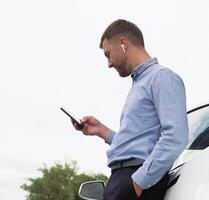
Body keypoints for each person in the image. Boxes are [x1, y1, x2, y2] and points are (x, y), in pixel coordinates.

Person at [72, 19, 188, 200]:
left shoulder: (161, 77)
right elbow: (138, 143)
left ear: (123, 44)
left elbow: (176, 137)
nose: (109, 63)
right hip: (123, 179)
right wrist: (101, 131)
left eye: (108, 54)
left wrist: (138, 182)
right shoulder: (139, 84)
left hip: (136, 181)